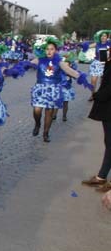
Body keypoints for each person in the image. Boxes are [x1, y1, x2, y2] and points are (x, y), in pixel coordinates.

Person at [25, 37, 91, 142]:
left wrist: (81, 77)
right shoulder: (40, 59)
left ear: (55, 50)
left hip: (53, 90)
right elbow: (27, 65)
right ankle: (37, 124)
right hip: (40, 88)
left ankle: (46, 133)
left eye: (51, 49)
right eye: (47, 49)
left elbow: (70, 71)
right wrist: (16, 68)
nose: (49, 51)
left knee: (49, 113)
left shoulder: (59, 62)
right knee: (37, 110)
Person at [82, 54, 111, 193]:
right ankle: (101, 177)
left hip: (108, 106)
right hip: (107, 109)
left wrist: (96, 95)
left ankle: (103, 179)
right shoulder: (107, 59)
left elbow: (108, 88)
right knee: (109, 143)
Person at [89, 30, 110, 100]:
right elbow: (87, 46)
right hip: (96, 63)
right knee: (93, 80)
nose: (103, 37)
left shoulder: (109, 44)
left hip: (106, 64)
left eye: (104, 36)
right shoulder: (97, 44)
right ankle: (92, 94)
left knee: (103, 82)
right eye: (102, 36)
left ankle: (101, 95)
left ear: (107, 37)